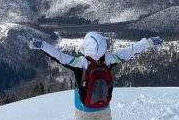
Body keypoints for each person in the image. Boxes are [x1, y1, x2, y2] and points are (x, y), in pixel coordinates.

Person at [29, 31, 164, 120]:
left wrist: (42, 45)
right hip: (104, 107)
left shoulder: (80, 63)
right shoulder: (109, 60)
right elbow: (131, 51)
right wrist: (148, 42)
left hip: (83, 109)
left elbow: (59, 56)